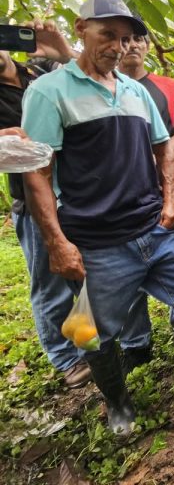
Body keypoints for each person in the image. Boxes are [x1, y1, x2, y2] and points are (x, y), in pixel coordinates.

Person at [21, 0, 174, 435]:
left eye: (125, 37)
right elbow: (37, 173)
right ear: (80, 29)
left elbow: (163, 150)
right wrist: (56, 242)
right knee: (89, 332)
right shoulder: (49, 92)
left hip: (154, 227)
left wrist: (171, 201)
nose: (117, 45)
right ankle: (116, 403)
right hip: (98, 241)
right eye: (106, 34)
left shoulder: (135, 91)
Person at [0, 29, 91, 389]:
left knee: (81, 274)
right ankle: (67, 358)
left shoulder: (38, 71)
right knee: (50, 280)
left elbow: (88, 84)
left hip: (73, 191)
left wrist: (64, 51)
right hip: (33, 197)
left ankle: (88, 342)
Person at [118, 31, 174, 241]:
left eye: (138, 39)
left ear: (147, 47)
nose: (132, 45)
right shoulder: (102, 87)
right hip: (124, 189)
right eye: (126, 39)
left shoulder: (168, 86)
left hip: (171, 184)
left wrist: (155, 158)